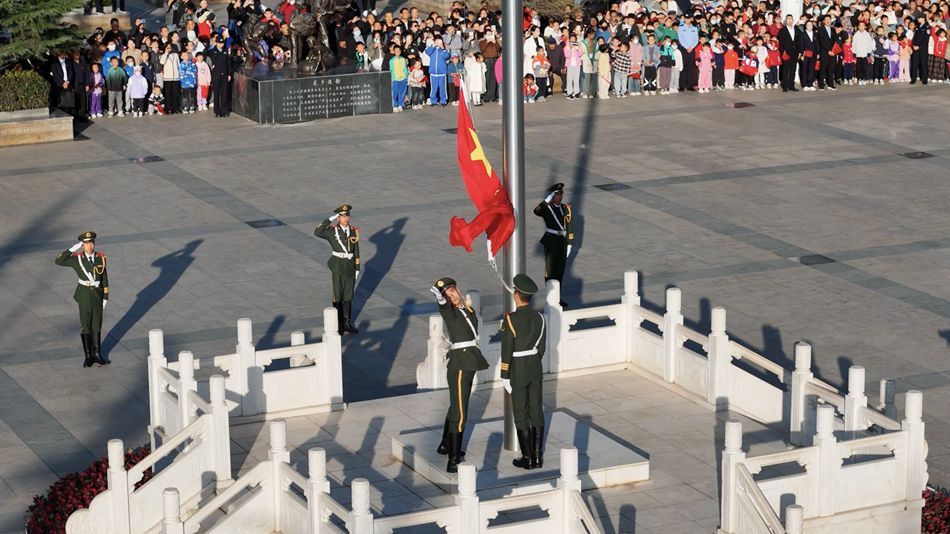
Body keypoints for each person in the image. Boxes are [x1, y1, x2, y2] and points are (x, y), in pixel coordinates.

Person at [429, 277, 489, 473]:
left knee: (457, 404)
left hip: (469, 360)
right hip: (461, 363)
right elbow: (444, 307)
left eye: (452, 291)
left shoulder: (467, 309)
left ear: (458, 290)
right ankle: (453, 460)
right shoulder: (450, 312)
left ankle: (446, 444)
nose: (451, 295)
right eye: (447, 294)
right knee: (460, 412)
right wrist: (441, 299)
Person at [499, 274, 546, 470]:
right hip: (535, 368)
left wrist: (505, 375)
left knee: (520, 413)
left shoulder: (510, 320)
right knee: (536, 412)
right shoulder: (539, 318)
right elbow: (541, 348)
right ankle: (538, 457)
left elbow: (506, 350)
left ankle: (527, 458)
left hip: (517, 371)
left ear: (516, 294)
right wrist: (532, 361)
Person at [55, 232, 110, 368]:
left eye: (91, 243)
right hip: (84, 295)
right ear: (82, 245)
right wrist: (71, 249)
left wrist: (105, 297)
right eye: (86, 244)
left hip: (97, 295)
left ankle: (97, 354)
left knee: (97, 325)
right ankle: (88, 356)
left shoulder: (100, 258)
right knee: (86, 325)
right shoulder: (77, 259)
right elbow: (59, 261)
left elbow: (104, 278)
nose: (90, 246)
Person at [313, 205, 361, 335]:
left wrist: (357, 268)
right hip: (338, 266)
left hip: (350, 266)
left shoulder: (353, 231)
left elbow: (356, 250)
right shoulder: (332, 231)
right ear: (338, 218)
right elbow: (317, 232)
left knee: (348, 295)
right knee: (338, 295)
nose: (346, 218)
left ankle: (347, 322)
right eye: (343, 216)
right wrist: (330, 219)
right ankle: (339, 324)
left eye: (347, 215)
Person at [533, 183, 573, 306]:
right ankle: (550, 298)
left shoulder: (565, 208)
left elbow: (570, 225)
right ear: (552, 196)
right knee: (551, 272)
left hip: (562, 242)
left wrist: (570, 243)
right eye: (557, 194)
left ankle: (558, 298)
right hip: (551, 242)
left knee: (560, 271)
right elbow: (536, 211)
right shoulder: (546, 208)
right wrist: (546, 201)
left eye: (561, 194)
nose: (560, 196)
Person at [209, 37, 232, 116]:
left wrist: (229, 73)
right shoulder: (212, 51)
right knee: (216, 93)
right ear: (216, 43)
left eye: (222, 43)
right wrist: (211, 45)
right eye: (219, 43)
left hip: (224, 74)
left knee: (224, 93)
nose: (221, 44)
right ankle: (217, 111)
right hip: (216, 74)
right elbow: (204, 53)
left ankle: (224, 110)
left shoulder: (225, 51)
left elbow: (228, 63)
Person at [778, 14, 798, 92]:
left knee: (793, 70)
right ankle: (785, 86)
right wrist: (783, 52)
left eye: (791, 19)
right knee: (786, 70)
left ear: (793, 20)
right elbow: (781, 43)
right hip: (786, 53)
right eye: (788, 19)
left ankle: (791, 85)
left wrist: (799, 52)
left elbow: (799, 41)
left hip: (795, 53)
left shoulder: (796, 29)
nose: (790, 20)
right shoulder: (782, 30)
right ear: (786, 21)